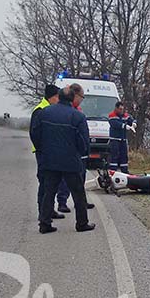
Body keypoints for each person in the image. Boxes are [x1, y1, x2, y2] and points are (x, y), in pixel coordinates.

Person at [30, 87, 95, 234]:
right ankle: (82, 223)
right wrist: (81, 153)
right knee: (78, 193)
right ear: (72, 99)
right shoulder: (77, 116)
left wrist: (42, 149)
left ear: (59, 97)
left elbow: (35, 133)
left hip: (49, 159)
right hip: (71, 161)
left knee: (49, 192)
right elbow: (84, 141)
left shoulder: (44, 113)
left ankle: (45, 223)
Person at [57, 82, 95, 212]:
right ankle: (62, 201)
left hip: (79, 152)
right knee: (65, 178)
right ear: (76, 95)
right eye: (82, 97)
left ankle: (81, 202)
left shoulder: (78, 110)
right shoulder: (69, 111)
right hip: (70, 151)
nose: (82, 100)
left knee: (80, 178)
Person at [31, 84, 64, 223]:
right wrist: (42, 149)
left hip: (51, 152)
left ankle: (50, 210)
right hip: (43, 153)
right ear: (52, 97)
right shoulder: (40, 110)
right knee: (44, 182)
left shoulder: (49, 109)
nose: (59, 100)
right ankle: (42, 212)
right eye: (57, 97)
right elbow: (34, 133)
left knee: (53, 182)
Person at [108, 101, 135, 172]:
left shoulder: (125, 115)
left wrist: (133, 123)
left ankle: (124, 171)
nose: (121, 111)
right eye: (120, 109)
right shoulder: (112, 115)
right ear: (116, 108)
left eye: (122, 109)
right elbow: (115, 124)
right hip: (115, 140)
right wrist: (125, 126)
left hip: (123, 140)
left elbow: (131, 120)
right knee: (114, 156)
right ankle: (113, 171)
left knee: (124, 156)